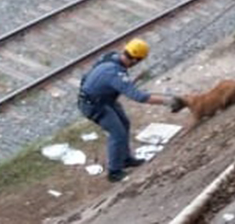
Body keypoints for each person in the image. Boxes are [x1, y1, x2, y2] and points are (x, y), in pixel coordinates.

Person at [77, 38, 185, 182]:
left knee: (125, 123)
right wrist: (167, 101)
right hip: (95, 105)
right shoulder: (115, 74)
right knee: (117, 133)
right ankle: (114, 172)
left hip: (102, 98)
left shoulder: (111, 57)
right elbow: (139, 97)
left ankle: (125, 158)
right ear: (136, 60)